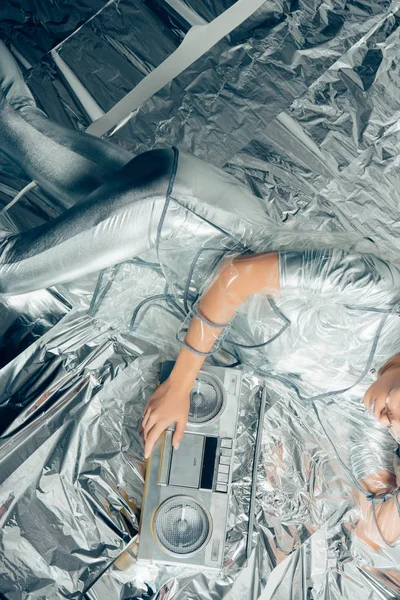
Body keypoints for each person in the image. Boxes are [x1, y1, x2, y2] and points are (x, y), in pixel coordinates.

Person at [0, 40, 399, 549]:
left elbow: (373, 530)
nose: (383, 422)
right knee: (11, 272)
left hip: (163, 257)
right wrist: (180, 384)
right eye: (392, 414)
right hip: (175, 213)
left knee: (16, 120)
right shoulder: (381, 291)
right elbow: (239, 275)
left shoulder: (369, 396)